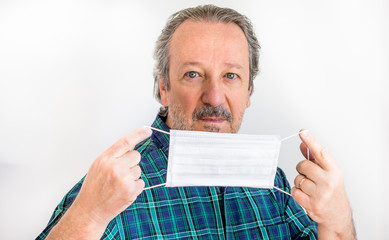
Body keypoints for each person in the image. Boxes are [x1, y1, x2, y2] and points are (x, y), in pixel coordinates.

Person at [37, 5, 356, 239]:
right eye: (193, 74)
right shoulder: (111, 192)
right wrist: (89, 216)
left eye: (231, 76)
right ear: (164, 87)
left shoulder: (272, 184)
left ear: (248, 92)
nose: (214, 97)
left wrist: (337, 221)